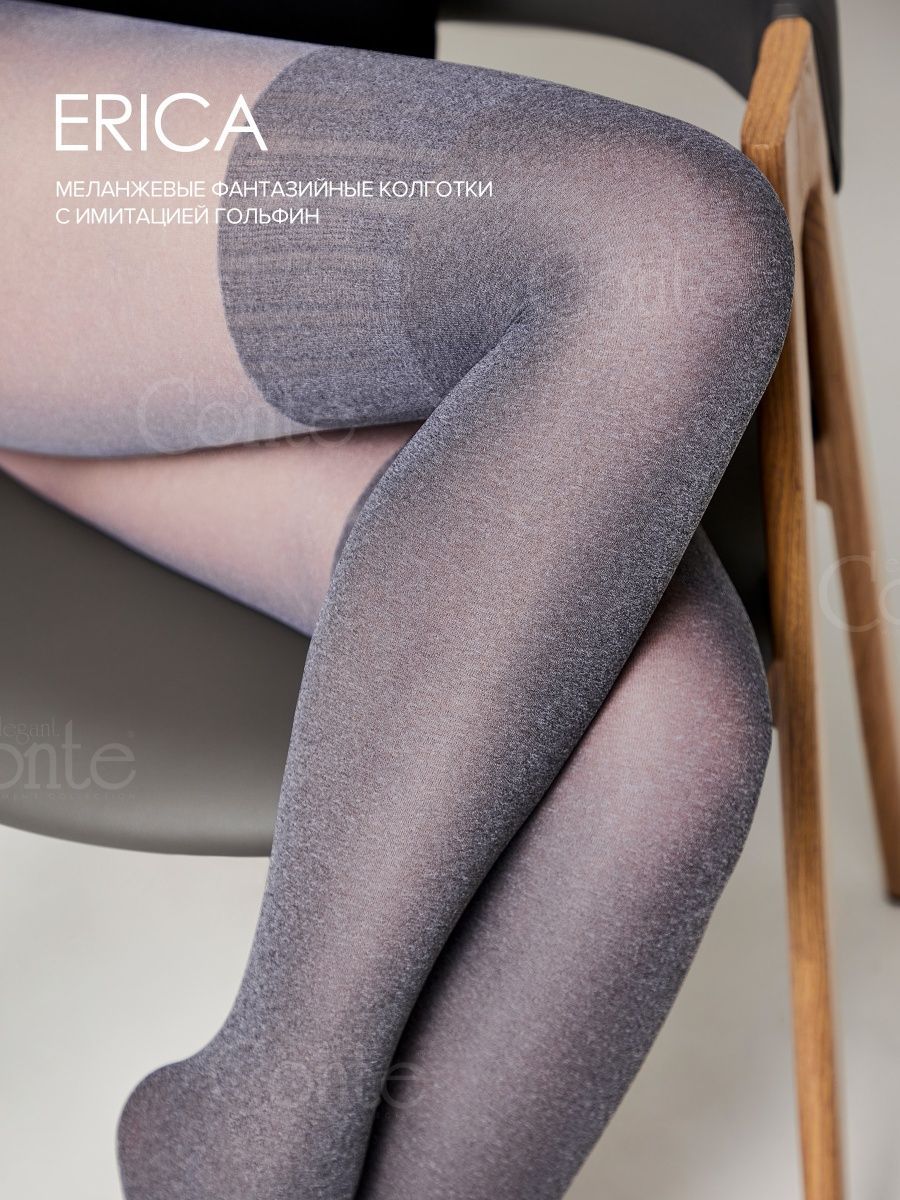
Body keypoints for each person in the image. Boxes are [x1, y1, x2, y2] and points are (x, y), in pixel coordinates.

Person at [0, 2, 794, 1196]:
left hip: (298, 218)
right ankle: (261, 1128)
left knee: (671, 725)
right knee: (667, 244)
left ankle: (240, 1155)